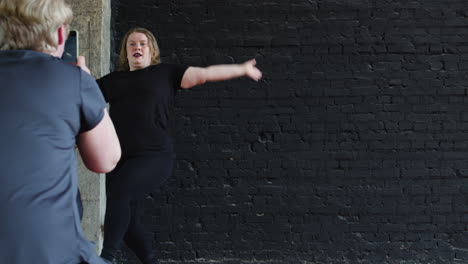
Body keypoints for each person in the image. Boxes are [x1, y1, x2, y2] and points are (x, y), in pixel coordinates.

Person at [97, 27, 262, 264]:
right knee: (128, 221)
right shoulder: (113, 81)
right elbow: (81, 93)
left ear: (151, 49)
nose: (137, 48)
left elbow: (206, 74)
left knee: (119, 194)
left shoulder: (165, 74)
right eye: (131, 44)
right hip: (120, 160)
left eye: (142, 43)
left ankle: (106, 259)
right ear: (125, 51)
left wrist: (242, 69)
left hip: (154, 157)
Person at [0, 0, 121, 263]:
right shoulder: (73, 79)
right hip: (48, 249)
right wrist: (87, 87)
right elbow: (107, 159)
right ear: (58, 35)